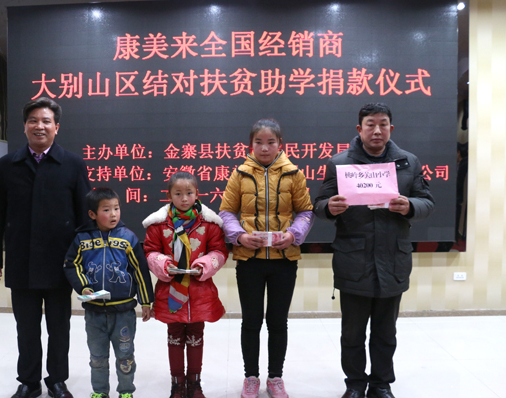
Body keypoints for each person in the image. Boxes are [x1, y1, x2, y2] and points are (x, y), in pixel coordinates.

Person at [313, 103, 435, 398]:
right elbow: (319, 205)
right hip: (353, 259)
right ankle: (355, 384)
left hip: (393, 260)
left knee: (386, 332)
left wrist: (410, 206)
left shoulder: (408, 162)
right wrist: (329, 208)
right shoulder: (339, 163)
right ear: (360, 129)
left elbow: (427, 202)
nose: (377, 130)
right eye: (370, 124)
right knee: (352, 333)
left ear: (391, 128)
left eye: (383, 124)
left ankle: (381, 384)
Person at [0, 97, 91, 398]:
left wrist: (85, 261)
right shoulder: (8, 165)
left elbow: (85, 217)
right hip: (21, 260)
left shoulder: (72, 164)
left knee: (59, 327)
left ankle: (56, 380)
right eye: (33, 120)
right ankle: (29, 382)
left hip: (61, 262)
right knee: (26, 328)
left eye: (46, 121)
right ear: (24, 126)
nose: (39, 126)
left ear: (57, 127)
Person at [219, 119, 314, 398]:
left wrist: (293, 235)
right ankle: (250, 377)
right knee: (251, 321)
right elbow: (226, 212)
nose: (264, 148)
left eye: (270, 142)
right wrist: (239, 236)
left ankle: (275, 377)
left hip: (284, 260)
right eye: (258, 142)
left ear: (280, 144)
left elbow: (306, 212)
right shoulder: (239, 174)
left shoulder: (294, 174)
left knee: (278, 322)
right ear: (250, 145)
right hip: (250, 260)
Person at [142, 172, 229, 398]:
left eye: (189, 193)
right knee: (174, 337)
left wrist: (204, 265)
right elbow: (150, 251)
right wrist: (164, 264)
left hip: (200, 292)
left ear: (197, 194)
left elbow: (219, 251)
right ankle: (177, 384)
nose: (184, 198)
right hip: (170, 291)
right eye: (178, 194)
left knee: (196, 337)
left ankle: (195, 383)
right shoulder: (158, 224)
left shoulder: (210, 223)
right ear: (169, 195)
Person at [63, 187, 154, 398]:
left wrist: (146, 302)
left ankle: (126, 391)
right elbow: (71, 264)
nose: (113, 214)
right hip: (94, 312)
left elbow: (140, 271)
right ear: (92, 214)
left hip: (123, 312)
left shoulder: (128, 238)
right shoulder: (82, 239)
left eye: (116, 208)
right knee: (97, 357)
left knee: (125, 356)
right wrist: (83, 286)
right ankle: (100, 391)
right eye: (106, 210)